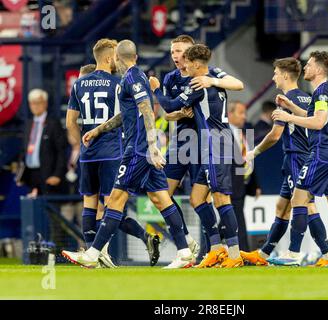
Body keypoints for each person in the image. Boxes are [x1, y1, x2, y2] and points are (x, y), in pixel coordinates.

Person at [62, 39, 193, 269]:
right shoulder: (134, 77)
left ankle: (93, 253)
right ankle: (184, 251)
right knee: (160, 198)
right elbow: (127, 114)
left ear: (115, 58)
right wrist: (98, 129)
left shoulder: (132, 77)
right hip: (143, 149)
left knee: (115, 199)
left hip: (138, 150)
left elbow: (147, 109)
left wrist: (152, 146)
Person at [150, 44, 244, 268]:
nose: (184, 65)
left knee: (221, 198)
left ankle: (234, 255)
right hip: (214, 142)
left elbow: (170, 104)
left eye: (187, 62)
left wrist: (155, 89)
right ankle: (216, 249)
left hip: (215, 144)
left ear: (195, 64)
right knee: (197, 198)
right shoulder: (211, 76)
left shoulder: (198, 83)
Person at [241, 57, 328, 267]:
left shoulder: (285, 101)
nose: (273, 76)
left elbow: (275, 135)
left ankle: (322, 255)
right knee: (282, 206)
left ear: (285, 75)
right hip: (302, 156)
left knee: (306, 205)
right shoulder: (307, 98)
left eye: (275, 72)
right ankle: (264, 254)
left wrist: (253, 153)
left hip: (297, 157)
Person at [272, 51, 328, 267]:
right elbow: (318, 117)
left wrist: (287, 116)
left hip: (320, 153)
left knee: (299, 200)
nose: (305, 68)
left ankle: (293, 254)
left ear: (318, 69)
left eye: (309, 65)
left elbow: (318, 123)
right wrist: (292, 107)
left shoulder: (320, 94)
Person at [17, 89, 67, 197]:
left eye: (38, 102)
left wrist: (57, 175)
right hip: (30, 175)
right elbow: (23, 151)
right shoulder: (28, 124)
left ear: (45, 103)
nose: (35, 106)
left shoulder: (53, 123)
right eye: (32, 103)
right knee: (31, 208)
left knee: (48, 209)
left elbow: (61, 151)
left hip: (48, 175)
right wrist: (20, 175)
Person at [227, 100, 261, 252]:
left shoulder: (243, 134)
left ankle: (208, 248)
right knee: (238, 220)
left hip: (242, 185)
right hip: (229, 185)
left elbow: (249, 161)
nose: (244, 117)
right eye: (240, 113)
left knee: (230, 220)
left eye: (245, 113)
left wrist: (255, 185)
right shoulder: (223, 133)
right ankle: (244, 253)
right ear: (230, 114)